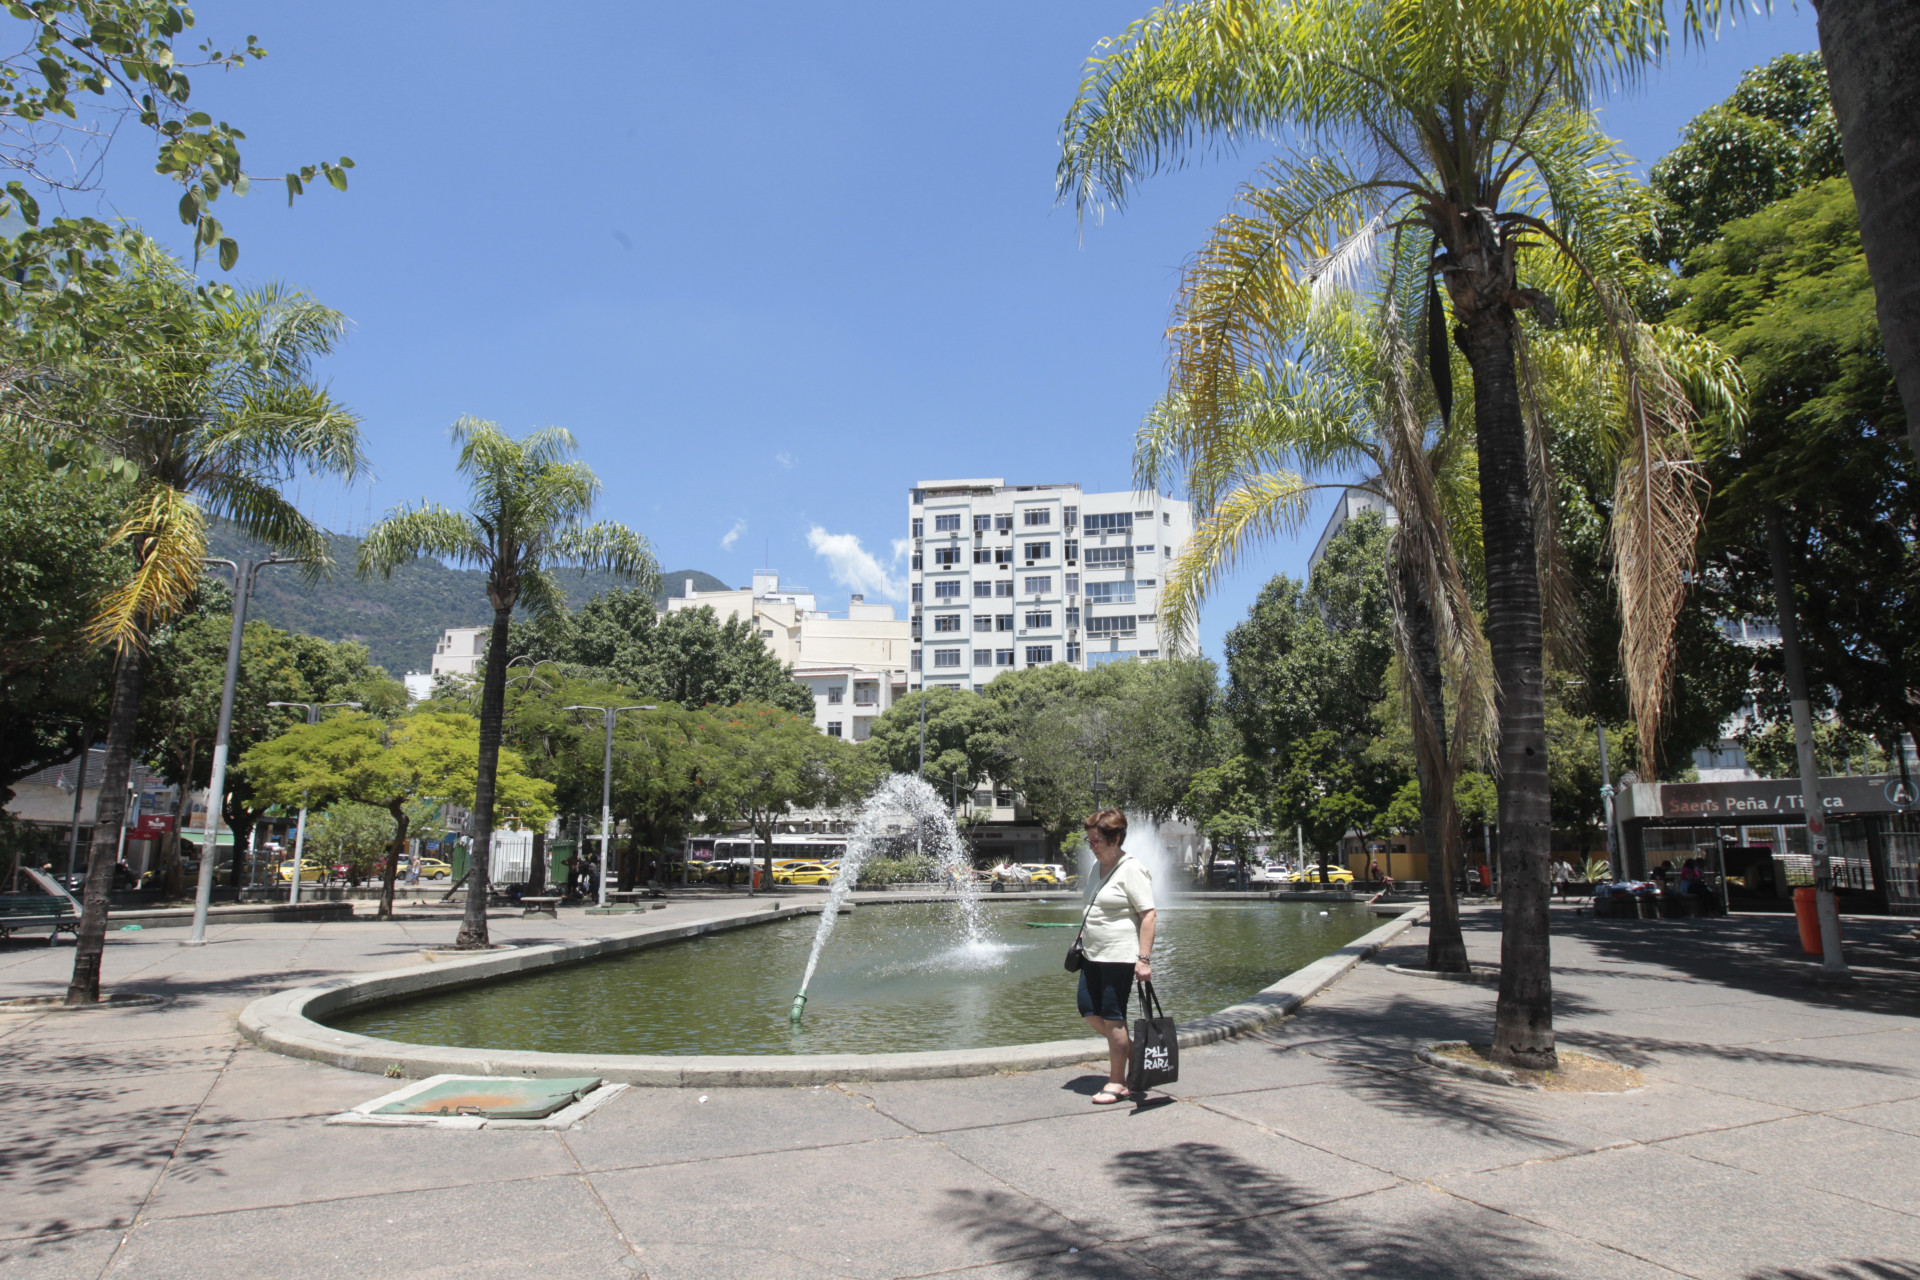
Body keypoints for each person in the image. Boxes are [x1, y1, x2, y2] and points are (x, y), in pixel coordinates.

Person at [1075, 808, 1156, 1106]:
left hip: (1118, 956)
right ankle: (1132, 1053)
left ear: (1115, 838)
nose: (1092, 846)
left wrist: (1143, 959)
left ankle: (1117, 1082)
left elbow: (1148, 915)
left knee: (1113, 1018)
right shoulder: (1096, 868)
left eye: (1096, 841)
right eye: (1090, 841)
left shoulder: (1131, 868)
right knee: (1087, 1009)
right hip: (1092, 954)